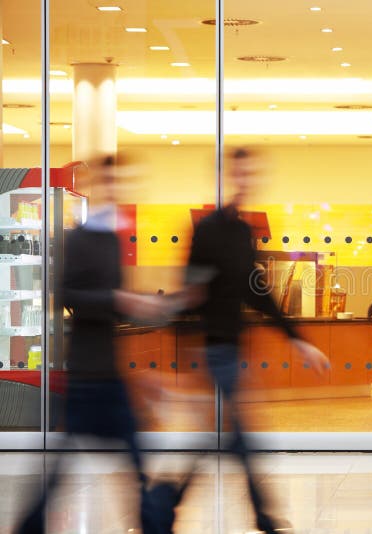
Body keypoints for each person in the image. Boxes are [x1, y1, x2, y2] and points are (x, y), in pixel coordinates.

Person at [15, 154, 168, 533]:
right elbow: (67, 293)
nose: (117, 189)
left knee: (130, 462)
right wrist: (119, 300)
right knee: (70, 468)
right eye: (112, 182)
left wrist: (140, 305)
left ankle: (152, 525)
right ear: (99, 185)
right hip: (87, 373)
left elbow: (111, 299)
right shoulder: (80, 238)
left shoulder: (112, 240)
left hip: (108, 371)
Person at [184, 147, 329, 533]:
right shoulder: (209, 229)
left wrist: (297, 339)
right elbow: (192, 288)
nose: (247, 181)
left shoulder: (240, 231)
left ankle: (167, 503)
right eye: (241, 173)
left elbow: (256, 291)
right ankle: (262, 516)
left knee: (220, 439)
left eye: (252, 174)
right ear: (227, 176)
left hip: (231, 346)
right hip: (216, 348)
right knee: (239, 438)